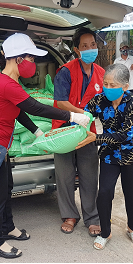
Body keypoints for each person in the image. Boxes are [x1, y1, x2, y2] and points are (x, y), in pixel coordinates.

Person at [0, 33, 91, 259]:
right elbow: (36, 107)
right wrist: (72, 116)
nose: (33, 64)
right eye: (31, 58)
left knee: (5, 191)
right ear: (18, 59)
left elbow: (19, 111)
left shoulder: (10, 81)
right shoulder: (6, 83)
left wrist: (36, 131)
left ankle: (8, 228)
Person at [77, 63, 133, 250]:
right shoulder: (99, 100)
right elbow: (84, 116)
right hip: (111, 153)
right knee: (104, 192)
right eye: (105, 84)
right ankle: (105, 232)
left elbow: (125, 135)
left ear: (125, 86)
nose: (107, 88)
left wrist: (96, 138)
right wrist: (78, 126)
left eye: (112, 85)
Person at [52, 27, 103, 237]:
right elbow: (61, 102)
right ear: (76, 49)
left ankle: (92, 217)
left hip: (87, 132)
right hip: (63, 129)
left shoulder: (101, 73)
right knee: (64, 176)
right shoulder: (65, 71)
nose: (90, 49)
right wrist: (80, 113)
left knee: (90, 175)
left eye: (93, 45)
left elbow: (107, 103)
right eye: (85, 46)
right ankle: (69, 215)